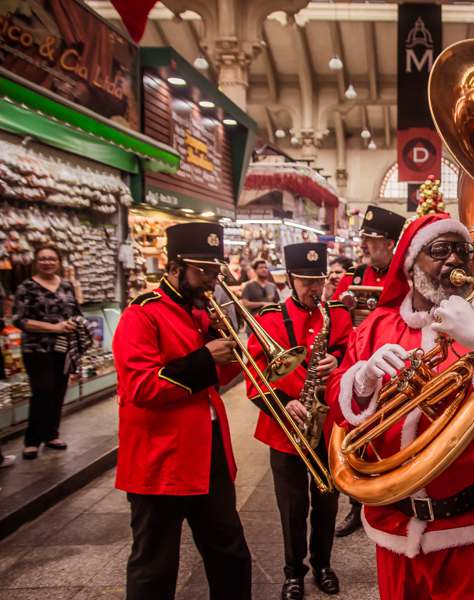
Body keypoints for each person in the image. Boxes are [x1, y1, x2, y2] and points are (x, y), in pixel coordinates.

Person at [326, 213, 474, 599]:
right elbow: (339, 409)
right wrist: (363, 380)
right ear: (410, 263)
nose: (454, 260)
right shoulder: (374, 327)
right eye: (439, 250)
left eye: (462, 251)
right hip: (395, 531)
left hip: (473, 533)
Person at [112, 223, 252, 600]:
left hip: (207, 450)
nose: (211, 279)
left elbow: (217, 377)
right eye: (202, 270)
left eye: (214, 271)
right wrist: (206, 358)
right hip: (160, 458)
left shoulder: (201, 311)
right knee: (155, 566)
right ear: (174, 268)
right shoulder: (142, 314)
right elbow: (140, 386)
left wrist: (236, 354)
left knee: (231, 553)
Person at [245, 243, 353, 599]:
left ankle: (323, 564)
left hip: (326, 427)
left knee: (327, 500)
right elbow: (254, 373)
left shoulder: (335, 313)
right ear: (290, 279)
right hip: (285, 428)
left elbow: (349, 350)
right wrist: (284, 403)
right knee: (292, 508)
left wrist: (337, 361)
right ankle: (293, 571)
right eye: (305, 281)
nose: (313, 289)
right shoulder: (270, 318)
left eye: (318, 281)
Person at [333, 205, 405, 537]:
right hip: (359, 365)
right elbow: (334, 317)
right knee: (357, 434)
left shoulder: (405, 277)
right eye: (365, 239)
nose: (365, 246)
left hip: (395, 366)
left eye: (372, 241)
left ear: (390, 243)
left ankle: (393, 494)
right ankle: (356, 505)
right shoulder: (353, 277)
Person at [12, 245, 86, 460]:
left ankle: (51, 435)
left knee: (58, 391)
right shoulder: (26, 287)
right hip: (37, 348)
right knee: (42, 390)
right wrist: (54, 328)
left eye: (51, 258)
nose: (47, 262)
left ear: (59, 262)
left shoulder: (66, 285)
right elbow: (19, 320)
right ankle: (32, 441)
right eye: (43, 259)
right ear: (36, 262)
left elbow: (75, 312)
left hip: (63, 348)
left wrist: (74, 325)